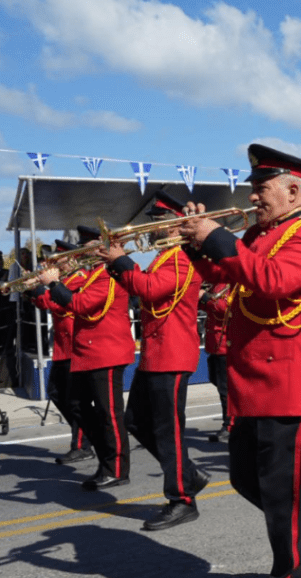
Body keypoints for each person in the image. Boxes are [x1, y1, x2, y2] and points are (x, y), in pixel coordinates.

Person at [178, 143, 301, 578]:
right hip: (258, 378)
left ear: (294, 191)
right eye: (256, 188)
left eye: (262, 188)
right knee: (247, 479)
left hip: (290, 379)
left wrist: (217, 235)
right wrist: (198, 244)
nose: (254, 197)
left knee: (283, 495)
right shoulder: (261, 235)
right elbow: (227, 275)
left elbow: (275, 281)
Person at [97, 190, 209, 531]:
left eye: (159, 224)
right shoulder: (164, 258)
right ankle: (187, 475)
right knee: (138, 421)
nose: (153, 230)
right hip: (158, 352)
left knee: (167, 429)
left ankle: (182, 497)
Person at [39, 226, 134, 490]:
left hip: (107, 351)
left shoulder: (109, 274)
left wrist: (53, 284)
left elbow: (79, 305)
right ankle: (103, 456)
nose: (84, 251)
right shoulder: (93, 274)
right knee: (77, 404)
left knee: (109, 414)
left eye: (89, 246)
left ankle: (116, 469)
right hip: (88, 351)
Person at [31, 240, 94, 464]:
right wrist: (35, 287)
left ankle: (82, 444)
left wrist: (43, 286)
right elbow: (43, 303)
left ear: (73, 259)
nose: (55, 264)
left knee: (75, 399)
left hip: (75, 347)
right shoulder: (63, 281)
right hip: (62, 347)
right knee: (57, 393)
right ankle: (87, 432)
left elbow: (57, 305)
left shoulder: (80, 280)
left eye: (59, 260)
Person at [199, 281, 231, 442]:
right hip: (214, 344)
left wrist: (204, 297)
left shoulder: (232, 284)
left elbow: (226, 309)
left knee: (226, 390)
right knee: (216, 381)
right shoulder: (216, 284)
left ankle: (230, 425)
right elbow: (208, 307)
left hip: (226, 345)